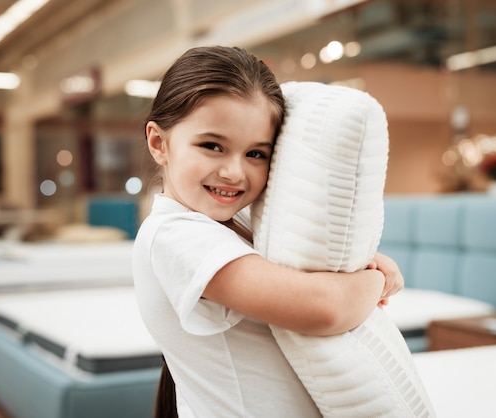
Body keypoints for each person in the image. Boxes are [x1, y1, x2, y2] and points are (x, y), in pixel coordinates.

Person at [132, 45, 404, 417]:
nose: (234, 172)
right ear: (159, 143)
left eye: (256, 154)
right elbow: (324, 309)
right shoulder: (172, 235)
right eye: (212, 146)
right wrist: (376, 282)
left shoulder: (238, 227)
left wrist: (364, 268)